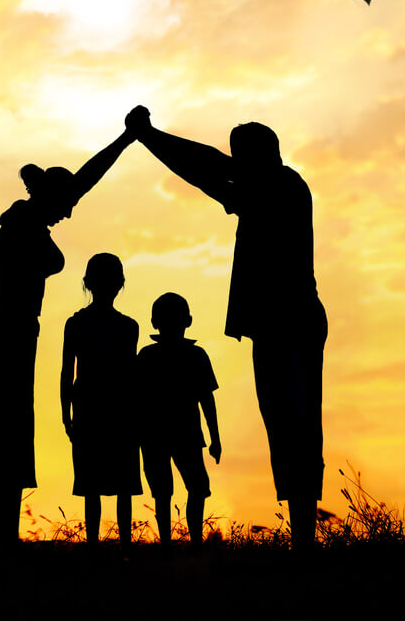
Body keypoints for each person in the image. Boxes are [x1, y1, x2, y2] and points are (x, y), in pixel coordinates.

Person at [125, 106, 327, 549]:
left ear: (261, 156)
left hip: (291, 322)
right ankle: (303, 538)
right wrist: (152, 138)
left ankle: (305, 540)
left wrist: (151, 136)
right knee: (285, 424)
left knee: (296, 424)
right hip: (280, 323)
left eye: (241, 157)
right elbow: (210, 171)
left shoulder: (281, 186)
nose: (235, 165)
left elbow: (209, 170)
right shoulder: (268, 186)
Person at [0, 130, 135, 545]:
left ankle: (6, 542)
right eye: (65, 206)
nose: (68, 214)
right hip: (7, 332)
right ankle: (5, 544)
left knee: (9, 438)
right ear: (49, 198)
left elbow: (80, 182)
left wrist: (125, 140)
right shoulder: (25, 226)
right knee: (6, 441)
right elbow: (56, 256)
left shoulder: (26, 220)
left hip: (12, 331)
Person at [60, 253, 141, 547]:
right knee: (122, 486)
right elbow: (131, 376)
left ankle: (93, 547)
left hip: (88, 408)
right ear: (120, 284)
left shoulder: (76, 324)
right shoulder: (128, 327)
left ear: (87, 283)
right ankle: (125, 547)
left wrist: (65, 413)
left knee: (92, 484)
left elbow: (67, 372)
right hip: (120, 411)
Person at [137, 292, 221, 550]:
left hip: (159, 435)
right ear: (189, 320)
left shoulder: (148, 356)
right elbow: (207, 400)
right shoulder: (195, 355)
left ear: (153, 322)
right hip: (179, 434)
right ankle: (191, 543)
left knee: (171, 491)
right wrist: (215, 438)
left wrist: (215, 438)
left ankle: (171, 545)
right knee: (189, 489)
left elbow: (206, 399)